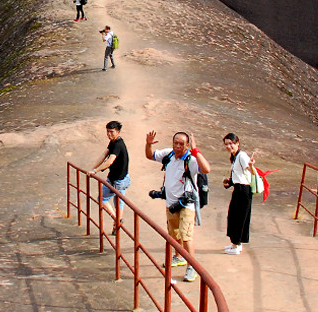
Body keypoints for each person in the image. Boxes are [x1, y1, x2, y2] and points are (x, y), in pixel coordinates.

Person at [146, 130, 211, 282]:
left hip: (186, 204)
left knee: (186, 235)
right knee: (173, 234)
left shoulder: (191, 160)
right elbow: (150, 155)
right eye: (176, 143)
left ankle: (192, 267)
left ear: (187, 145)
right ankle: (179, 257)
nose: (178, 146)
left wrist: (195, 150)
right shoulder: (168, 155)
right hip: (171, 203)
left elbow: (207, 169)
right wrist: (148, 144)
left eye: (182, 144)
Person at [89, 120, 130, 231]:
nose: (109, 134)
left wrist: (96, 170)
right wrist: (92, 169)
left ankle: (117, 220)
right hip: (120, 178)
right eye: (107, 132)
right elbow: (104, 155)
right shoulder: (113, 142)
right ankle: (117, 223)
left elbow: (109, 161)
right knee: (118, 202)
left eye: (111, 132)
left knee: (103, 199)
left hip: (118, 180)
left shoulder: (118, 144)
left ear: (118, 132)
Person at [222, 133, 257, 254]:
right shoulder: (235, 156)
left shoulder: (242, 156)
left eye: (231, 143)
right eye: (226, 144)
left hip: (243, 191)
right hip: (238, 189)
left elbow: (251, 171)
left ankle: (236, 246)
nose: (229, 146)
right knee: (234, 216)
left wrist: (252, 166)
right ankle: (236, 243)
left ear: (237, 143)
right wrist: (229, 182)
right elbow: (239, 175)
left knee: (239, 218)